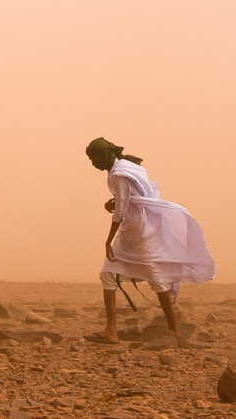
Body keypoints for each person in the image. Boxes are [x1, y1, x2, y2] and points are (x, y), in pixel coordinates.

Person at [86, 137, 215, 343]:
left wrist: (108, 240)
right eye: (90, 159)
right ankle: (111, 330)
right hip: (138, 228)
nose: (93, 163)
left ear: (107, 155)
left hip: (139, 232)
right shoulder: (126, 166)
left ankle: (173, 330)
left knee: (155, 277)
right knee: (109, 274)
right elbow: (130, 197)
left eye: (95, 158)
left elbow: (119, 212)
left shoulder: (119, 174)